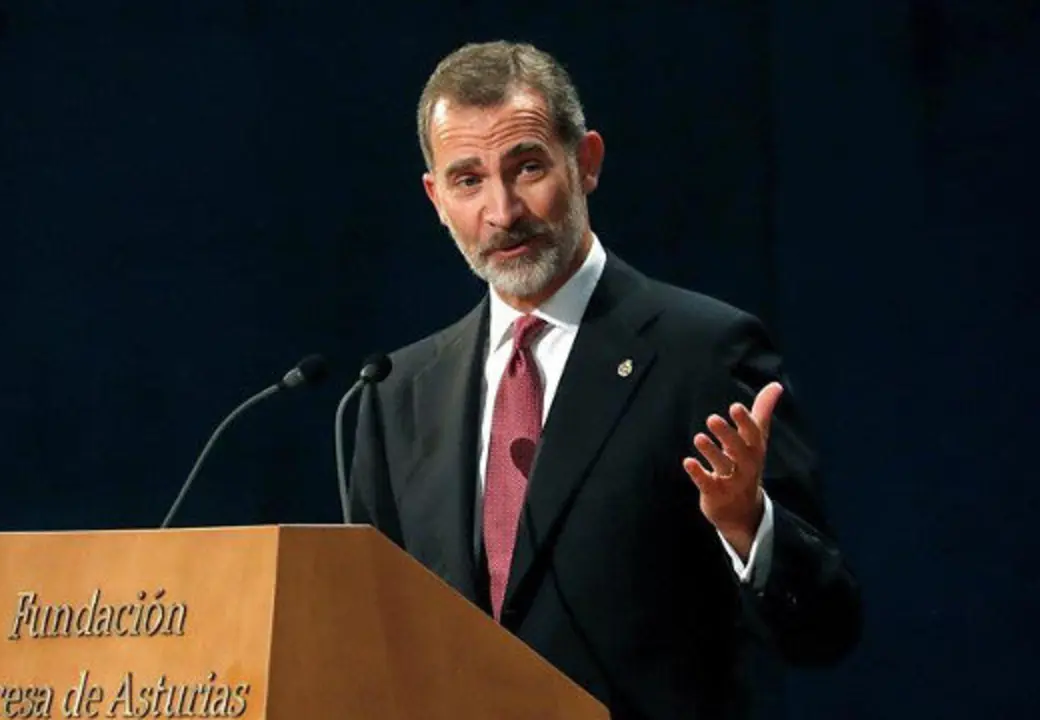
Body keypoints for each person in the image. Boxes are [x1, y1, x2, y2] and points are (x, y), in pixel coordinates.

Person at [348, 41, 862, 720]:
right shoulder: (396, 393)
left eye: (527, 167)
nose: (503, 212)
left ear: (586, 161)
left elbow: (824, 628)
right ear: (435, 197)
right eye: (468, 180)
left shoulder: (703, 352)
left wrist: (747, 526)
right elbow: (372, 643)